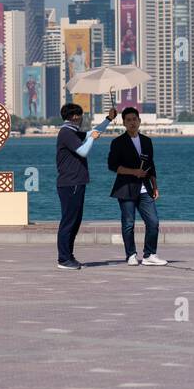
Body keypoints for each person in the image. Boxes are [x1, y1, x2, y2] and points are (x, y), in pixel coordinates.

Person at [55, 102, 117, 269]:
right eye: (80, 115)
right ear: (75, 117)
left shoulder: (72, 132)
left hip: (75, 183)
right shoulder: (67, 132)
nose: (82, 118)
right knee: (69, 221)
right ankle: (63, 258)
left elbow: (93, 132)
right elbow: (83, 151)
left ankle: (68, 255)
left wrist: (108, 119)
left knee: (75, 220)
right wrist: (91, 139)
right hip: (70, 183)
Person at [107, 107, 166, 266]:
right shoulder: (118, 142)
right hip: (125, 188)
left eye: (135, 119)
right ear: (124, 123)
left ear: (139, 121)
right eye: (128, 120)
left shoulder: (147, 141)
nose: (132, 122)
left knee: (153, 222)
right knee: (128, 223)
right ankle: (131, 255)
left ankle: (149, 255)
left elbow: (151, 165)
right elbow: (112, 166)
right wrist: (134, 172)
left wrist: (155, 186)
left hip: (145, 188)